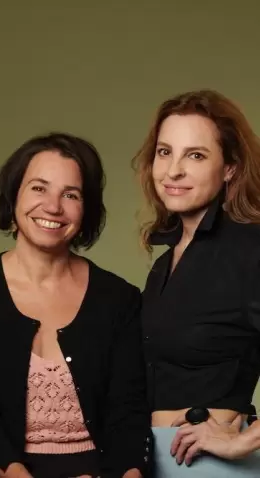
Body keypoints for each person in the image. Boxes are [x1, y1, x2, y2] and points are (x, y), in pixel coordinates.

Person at [0, 132, 152, 478]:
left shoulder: (119, 299)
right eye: (39, 188)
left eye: (71, 194)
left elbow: (128, 410)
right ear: (14, 195)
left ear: (87, 209)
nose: (53, 206)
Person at [132, 89, 260, 477]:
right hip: (155, 459)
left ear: (230, 168)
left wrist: (242, 441)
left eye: (196, 155)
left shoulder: (249, 248)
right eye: (165, 152)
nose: (173, 171)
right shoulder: (167, 259)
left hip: (210, 467)